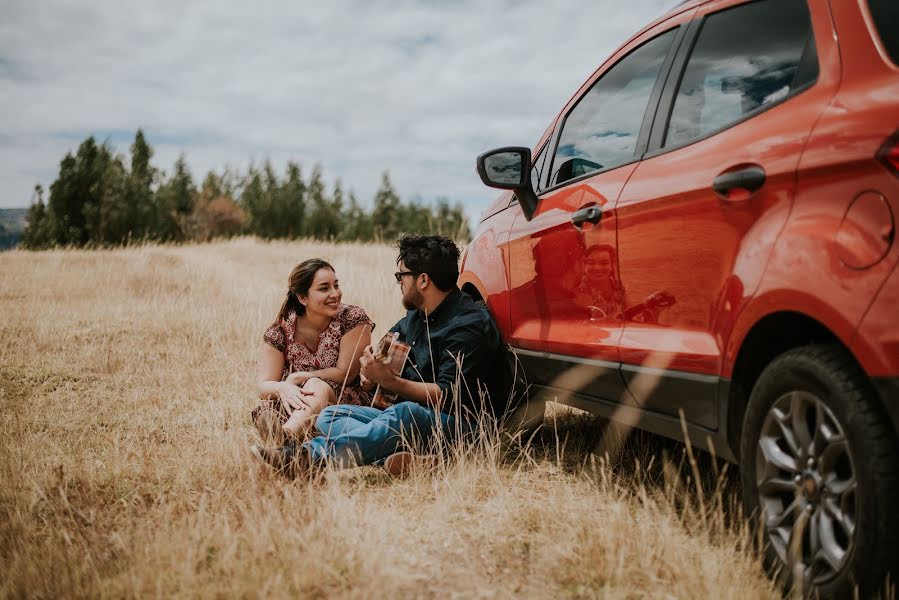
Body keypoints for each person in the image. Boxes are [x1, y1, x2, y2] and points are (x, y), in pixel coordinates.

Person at [250, 235, 502, 478]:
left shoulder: (467, 325)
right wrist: (370, 368)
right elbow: (386, 347)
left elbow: (446, 396)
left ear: (423, 280)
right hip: (407, 418)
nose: (399, 283)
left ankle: (307, 458)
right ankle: (411, 457)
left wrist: (391, 381)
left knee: (406, 413)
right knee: (331, 416)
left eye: (401, 276)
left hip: (459, 426)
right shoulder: (417, 314)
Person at [252, 258, 374, 446]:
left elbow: (346, 374)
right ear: (302, 298)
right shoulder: (280, 331)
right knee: (274, 407)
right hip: (296, 398)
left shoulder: (353, 319)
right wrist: (282, 387)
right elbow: (263, 386)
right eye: (324, 288)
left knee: (315, 385)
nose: (335, 294)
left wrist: (302, 376)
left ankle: (287, 434)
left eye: (336, 285)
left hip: (344, 399)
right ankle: (289, 432)